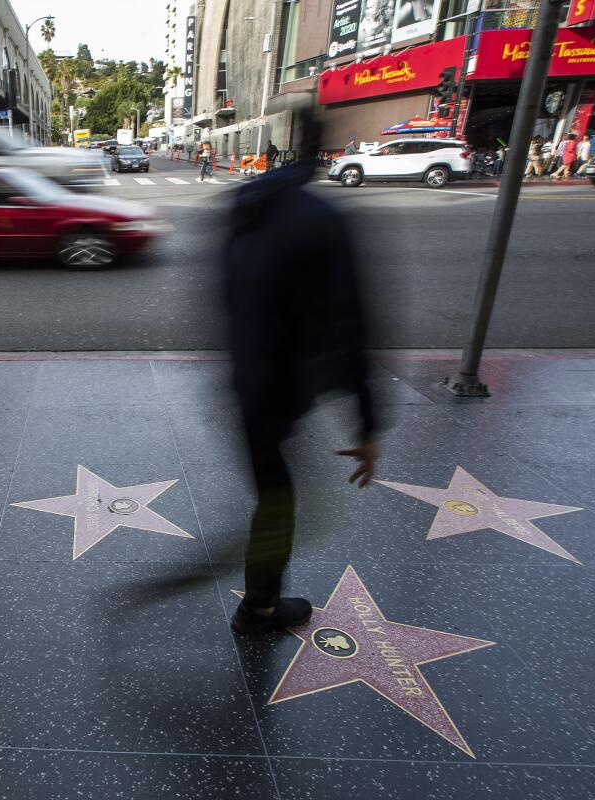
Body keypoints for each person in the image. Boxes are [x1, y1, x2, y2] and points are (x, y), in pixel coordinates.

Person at [221, 109, 378, 634]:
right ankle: (259, 607)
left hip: (245, 379)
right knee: (279, 501)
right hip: (282, 387)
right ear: (320, 149)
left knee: (273, 490)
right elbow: (349, 322)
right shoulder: (319, 219)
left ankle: (260, 599)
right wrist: (367, 423)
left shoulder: (245, 206)